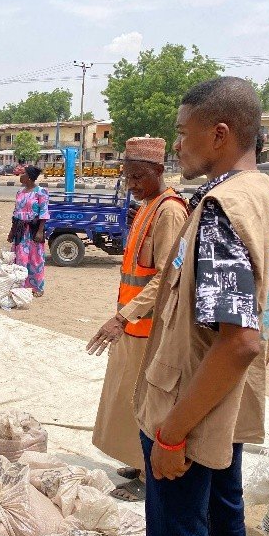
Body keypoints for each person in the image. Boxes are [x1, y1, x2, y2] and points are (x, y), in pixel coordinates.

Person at [132, 76, 269, 536]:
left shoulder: (223, 210)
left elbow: (240, 341)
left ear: (219, 134)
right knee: (224, 526)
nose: (177, 145)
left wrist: (171, 435)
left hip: (190, 409)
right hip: (229, 399)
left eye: (183, 133)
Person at [87, 135, 188, 502]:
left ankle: (149, 476)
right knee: (128, 397)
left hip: (149, 328)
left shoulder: (170, 211)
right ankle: (137, 458)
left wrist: (123, 318)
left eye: (137, 177)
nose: (131, 185)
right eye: (127, 177)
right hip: (134, 325)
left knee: (148, 403)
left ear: (158, 171)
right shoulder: (148, 205)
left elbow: (167, 277)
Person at [7, 165, 49, 297]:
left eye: (23, 173)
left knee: (35, 259)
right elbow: (16, 213)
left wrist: (40, 231)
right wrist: (12, 231)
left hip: (33, 230)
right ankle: (21, 286)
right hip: (20, 231)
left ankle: (37, 287)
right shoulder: (20, 192)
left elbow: (44, 212)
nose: (20, 176)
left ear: (29, 177)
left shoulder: (41, 192)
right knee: (20, 258)